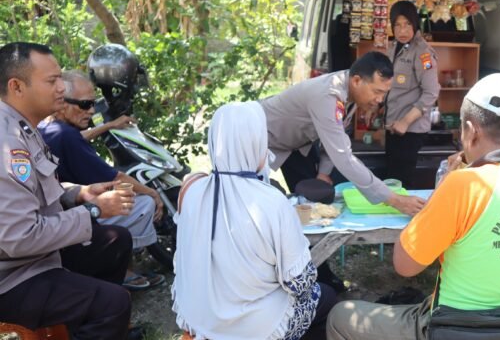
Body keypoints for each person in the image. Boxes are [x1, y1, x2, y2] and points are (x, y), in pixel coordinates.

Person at [326, 73, 500, 340]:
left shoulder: (464, 184)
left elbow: (404, 264)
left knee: (340, 317)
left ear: (471, 131)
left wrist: (443, 186)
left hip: (453, 332)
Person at [0, 42, 136, 339]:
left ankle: (82, 329)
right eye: (52, 81)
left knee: (116, 242)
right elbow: (19, 237)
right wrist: (95, 210)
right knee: (113, 303)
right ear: (17, 86)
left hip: (38, 256)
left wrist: (81, 193)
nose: (62, 88)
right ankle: (100, 321)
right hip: (14, 276)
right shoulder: (6, 142)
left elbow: (36, 189)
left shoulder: (23, 127)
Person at [173, 101, 336, 340]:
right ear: (255, 144)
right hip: (256, 327)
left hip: (200, 319)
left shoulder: (192, 191)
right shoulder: (271, 201)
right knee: (327, 297)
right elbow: (299, 282)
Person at [38, 70, 165, 290]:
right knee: (143, 202)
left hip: (59, 215)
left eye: (93, 103)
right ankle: (123, 269)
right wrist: (153, 193)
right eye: (85, 104)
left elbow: (77, 137)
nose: (92, 110)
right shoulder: (67, 136)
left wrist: (109, 125)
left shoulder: (46, 127)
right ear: (61, 102)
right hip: (78, 217)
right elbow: (116, 176)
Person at [261, 51, 425, 216]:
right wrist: (394, 200)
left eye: (384, 93)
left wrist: (323, 173)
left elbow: (333, 136)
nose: (380, 100)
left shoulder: (348, 91)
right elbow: (344, 157)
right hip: (258, 138)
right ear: (356, 81)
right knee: (266, 205)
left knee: (311, 202)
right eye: (377, 92)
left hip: (296, 142)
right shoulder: (328, 95)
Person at [383, 1, 440, 188]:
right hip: (393, 128)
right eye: (397, 25)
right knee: (392, 180)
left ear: (415, 24)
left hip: (410, 131)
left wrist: (405, 122)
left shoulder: (423, 53)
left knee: (402, 183)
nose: (402, 30)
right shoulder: (394, 48)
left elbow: (431, 93)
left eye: (407, 24)